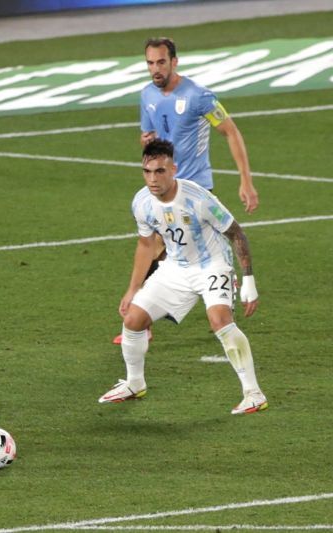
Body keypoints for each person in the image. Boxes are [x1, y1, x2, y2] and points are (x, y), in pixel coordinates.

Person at [98, 140, 267, 415]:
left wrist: (249, 280)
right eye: (147, 171)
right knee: (133, 320)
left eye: (160, 171)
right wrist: (133, 289)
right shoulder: (141, 202)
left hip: (212, 265)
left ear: (173, 169)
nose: (153, 178)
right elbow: (146, 244)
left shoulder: (197, 198)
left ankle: (254, 393)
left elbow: (236, 233)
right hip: (175, 267)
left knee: (220, 320)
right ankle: (134, 383)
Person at [113, 37, 259, 345]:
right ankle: (144, 318)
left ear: (174, 62)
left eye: (161, 62)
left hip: (194, 189)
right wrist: (147, 141)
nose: (155, 69)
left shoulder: (199, 97)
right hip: (163, 187)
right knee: (155, 245)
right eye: (150, 63)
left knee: (169, 248)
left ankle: (214, 285)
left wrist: (245, 179)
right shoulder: (147, 95)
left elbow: (230, 131)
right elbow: (150, 139)